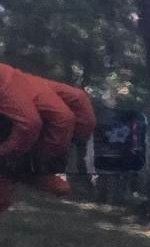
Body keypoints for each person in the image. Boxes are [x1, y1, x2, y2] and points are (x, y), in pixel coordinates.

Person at [0, 63, 96, 213]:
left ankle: (38, 166)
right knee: (37, 122)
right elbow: (29, 124)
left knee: (78, 102)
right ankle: (31, 168)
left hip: (11, 76)